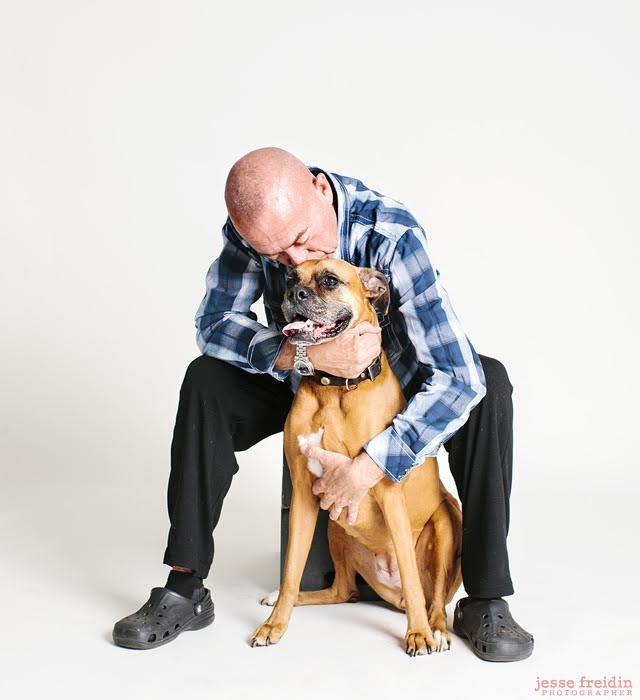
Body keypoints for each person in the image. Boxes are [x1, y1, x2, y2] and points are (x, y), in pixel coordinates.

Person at [112, 147, 534, 661]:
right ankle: (184, 588)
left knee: (491, 382)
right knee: (206, 380)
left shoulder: (391, 234)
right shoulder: (256, 231)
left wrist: (373, 463)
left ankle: (485, 598)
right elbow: (213, 323)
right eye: (277, 260)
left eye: (299, 240)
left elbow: (457, 375)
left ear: (318, 189)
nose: (293, 263)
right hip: (301, 382)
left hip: (387, 387)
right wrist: (302, 356)